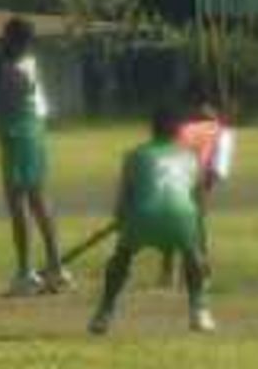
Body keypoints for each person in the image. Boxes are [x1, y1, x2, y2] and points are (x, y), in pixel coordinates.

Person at [89, 104, 215, 336]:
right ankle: (199, 311)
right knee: (192, 255)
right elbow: (199, 204)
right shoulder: (191, 157)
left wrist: (122, 219)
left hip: (142, 218)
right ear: (178, 131)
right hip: (182, 217)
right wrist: (198, 242)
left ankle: (103, 314)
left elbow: (122, 204)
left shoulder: (134, 155)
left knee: (121, 257)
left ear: (151, 129)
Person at [0, 15, 70, 296]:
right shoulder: (30, 63)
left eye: (5, 36)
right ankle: (56, 267)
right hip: (35, 133)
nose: (1, 40)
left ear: (15, 40)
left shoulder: (13, 70)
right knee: (39, 200)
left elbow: (6, 108)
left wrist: (5, 138)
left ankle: (26, 272)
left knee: (17, 204)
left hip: (18, 134)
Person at [159, 81, 235, 284]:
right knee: (195, 223)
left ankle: (171, 272)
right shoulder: (220, 130)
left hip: (180, 174)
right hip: (191, 175)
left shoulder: (185, 125)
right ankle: (196, 269)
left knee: (177, 222)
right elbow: (218, 169)